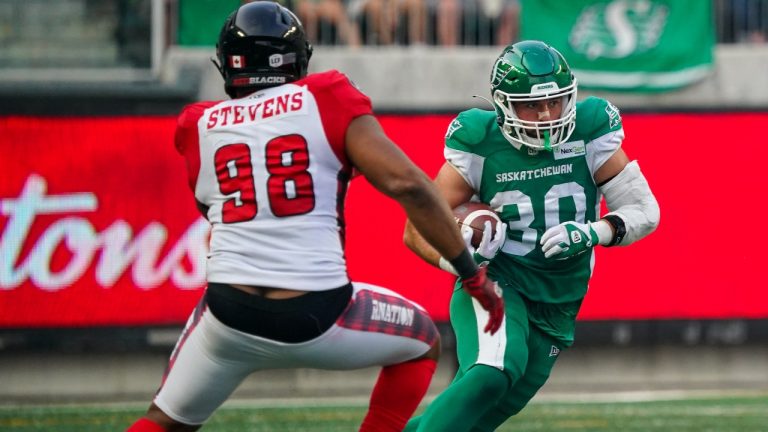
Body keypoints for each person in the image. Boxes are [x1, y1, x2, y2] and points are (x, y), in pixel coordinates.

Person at [125, 2, 503, 431]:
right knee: (421, 341)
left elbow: (216, 207)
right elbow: (408, 185)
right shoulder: (325, 97)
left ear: (227, 64)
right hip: (315, 311)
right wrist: (472, 275)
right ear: (297, 57)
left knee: (164, 420)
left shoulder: (197, 125)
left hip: (229, 311)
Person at [402, 40, 660, 431]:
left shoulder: (590, 131)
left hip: (560, 301)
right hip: (498, 282)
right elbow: (417, 225)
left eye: (554, 102)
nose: (545, 115)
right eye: (531, 105)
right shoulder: (480, 140)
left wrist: (595, 231)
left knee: (477, 418)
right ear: (504, 104)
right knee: (492, 370)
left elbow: (644, 211)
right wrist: (462, 259)